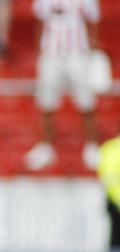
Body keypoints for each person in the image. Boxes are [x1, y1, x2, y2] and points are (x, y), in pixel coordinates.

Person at [25, 0, 101, 171]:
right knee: (46, 102)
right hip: (51, 53)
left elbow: (93, 19)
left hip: (77, 53)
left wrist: (92, 48)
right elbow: (40, 20)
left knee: (86, 100)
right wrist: (39, 49)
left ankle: (91, 145)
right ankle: (46, 146)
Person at [98, 134, 120, 250]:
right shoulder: (110, 149)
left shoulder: (109, 148)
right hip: (115, 203)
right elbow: (110, 179)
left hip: (114, 201)